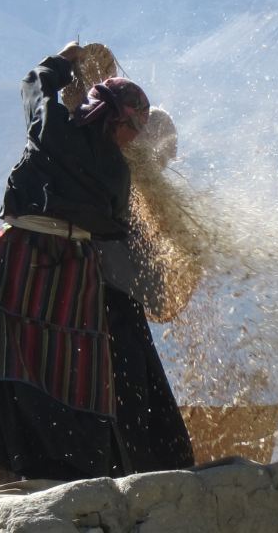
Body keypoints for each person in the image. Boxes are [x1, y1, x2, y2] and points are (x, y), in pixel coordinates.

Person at [0, 42, 184, 487]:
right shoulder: (116, 173)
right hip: (69, 268)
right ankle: (22, 466)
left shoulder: (54, 128)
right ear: (114, 119)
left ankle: (19, 467)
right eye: (131, 127)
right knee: (59, 363)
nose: (133, 138)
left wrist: (64, 63)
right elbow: (114, 226)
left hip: (23, 254)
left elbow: (35, 85)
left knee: (8, 349)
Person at [95, 107, 195, 475]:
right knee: (130, 397)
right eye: (166, 149)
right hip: (113, 307)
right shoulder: (125, 187)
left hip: (121, 305)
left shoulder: (134, 186)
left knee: (137, 397)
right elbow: (139, 273)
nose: (169, 159)